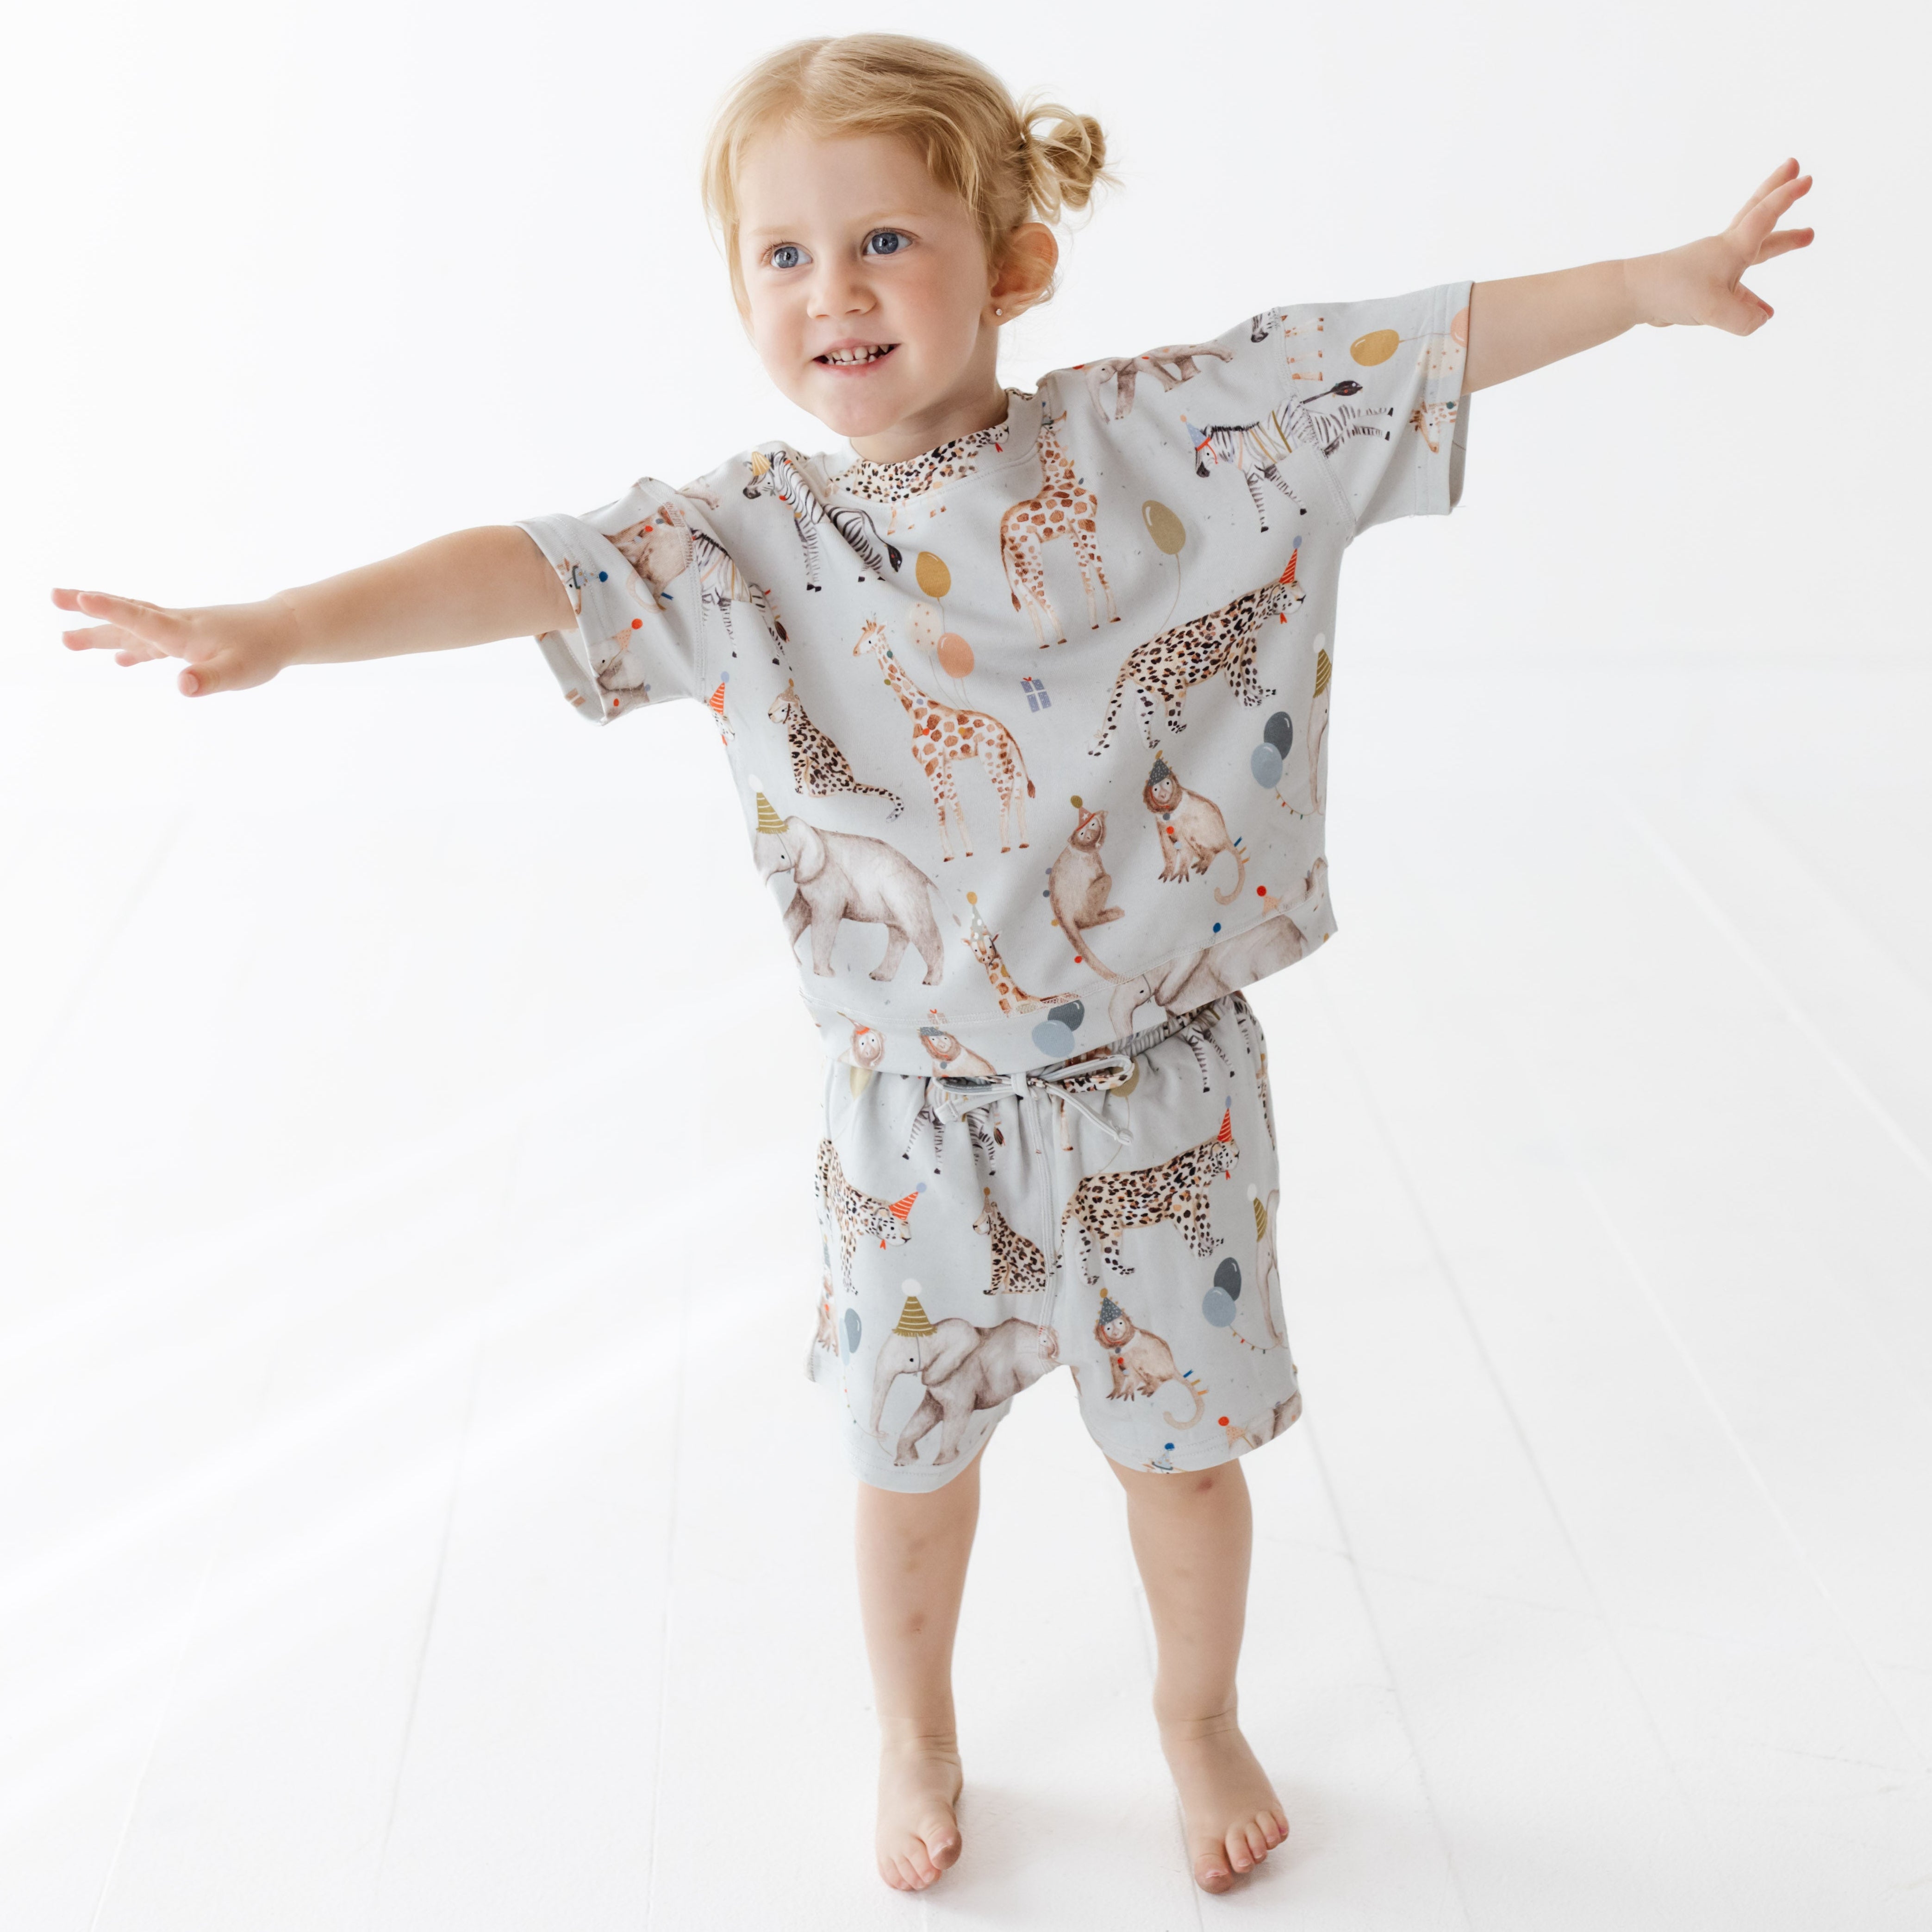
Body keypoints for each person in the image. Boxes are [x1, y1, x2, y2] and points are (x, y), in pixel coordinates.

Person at [52, 31, 1814, 1899]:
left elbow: (1391, 353)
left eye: (885, 240)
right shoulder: (747, 544)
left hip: (1164, 1095)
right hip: (919, 1122)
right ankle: (917, 1730)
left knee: (1185, 1461)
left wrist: (1647, 286)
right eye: (785, 256)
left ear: (1013, 261)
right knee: (906, 1469)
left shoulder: (1160, 436)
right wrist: (285, 624)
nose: (835, 291)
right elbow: (531, 570)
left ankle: (1198, 1715)